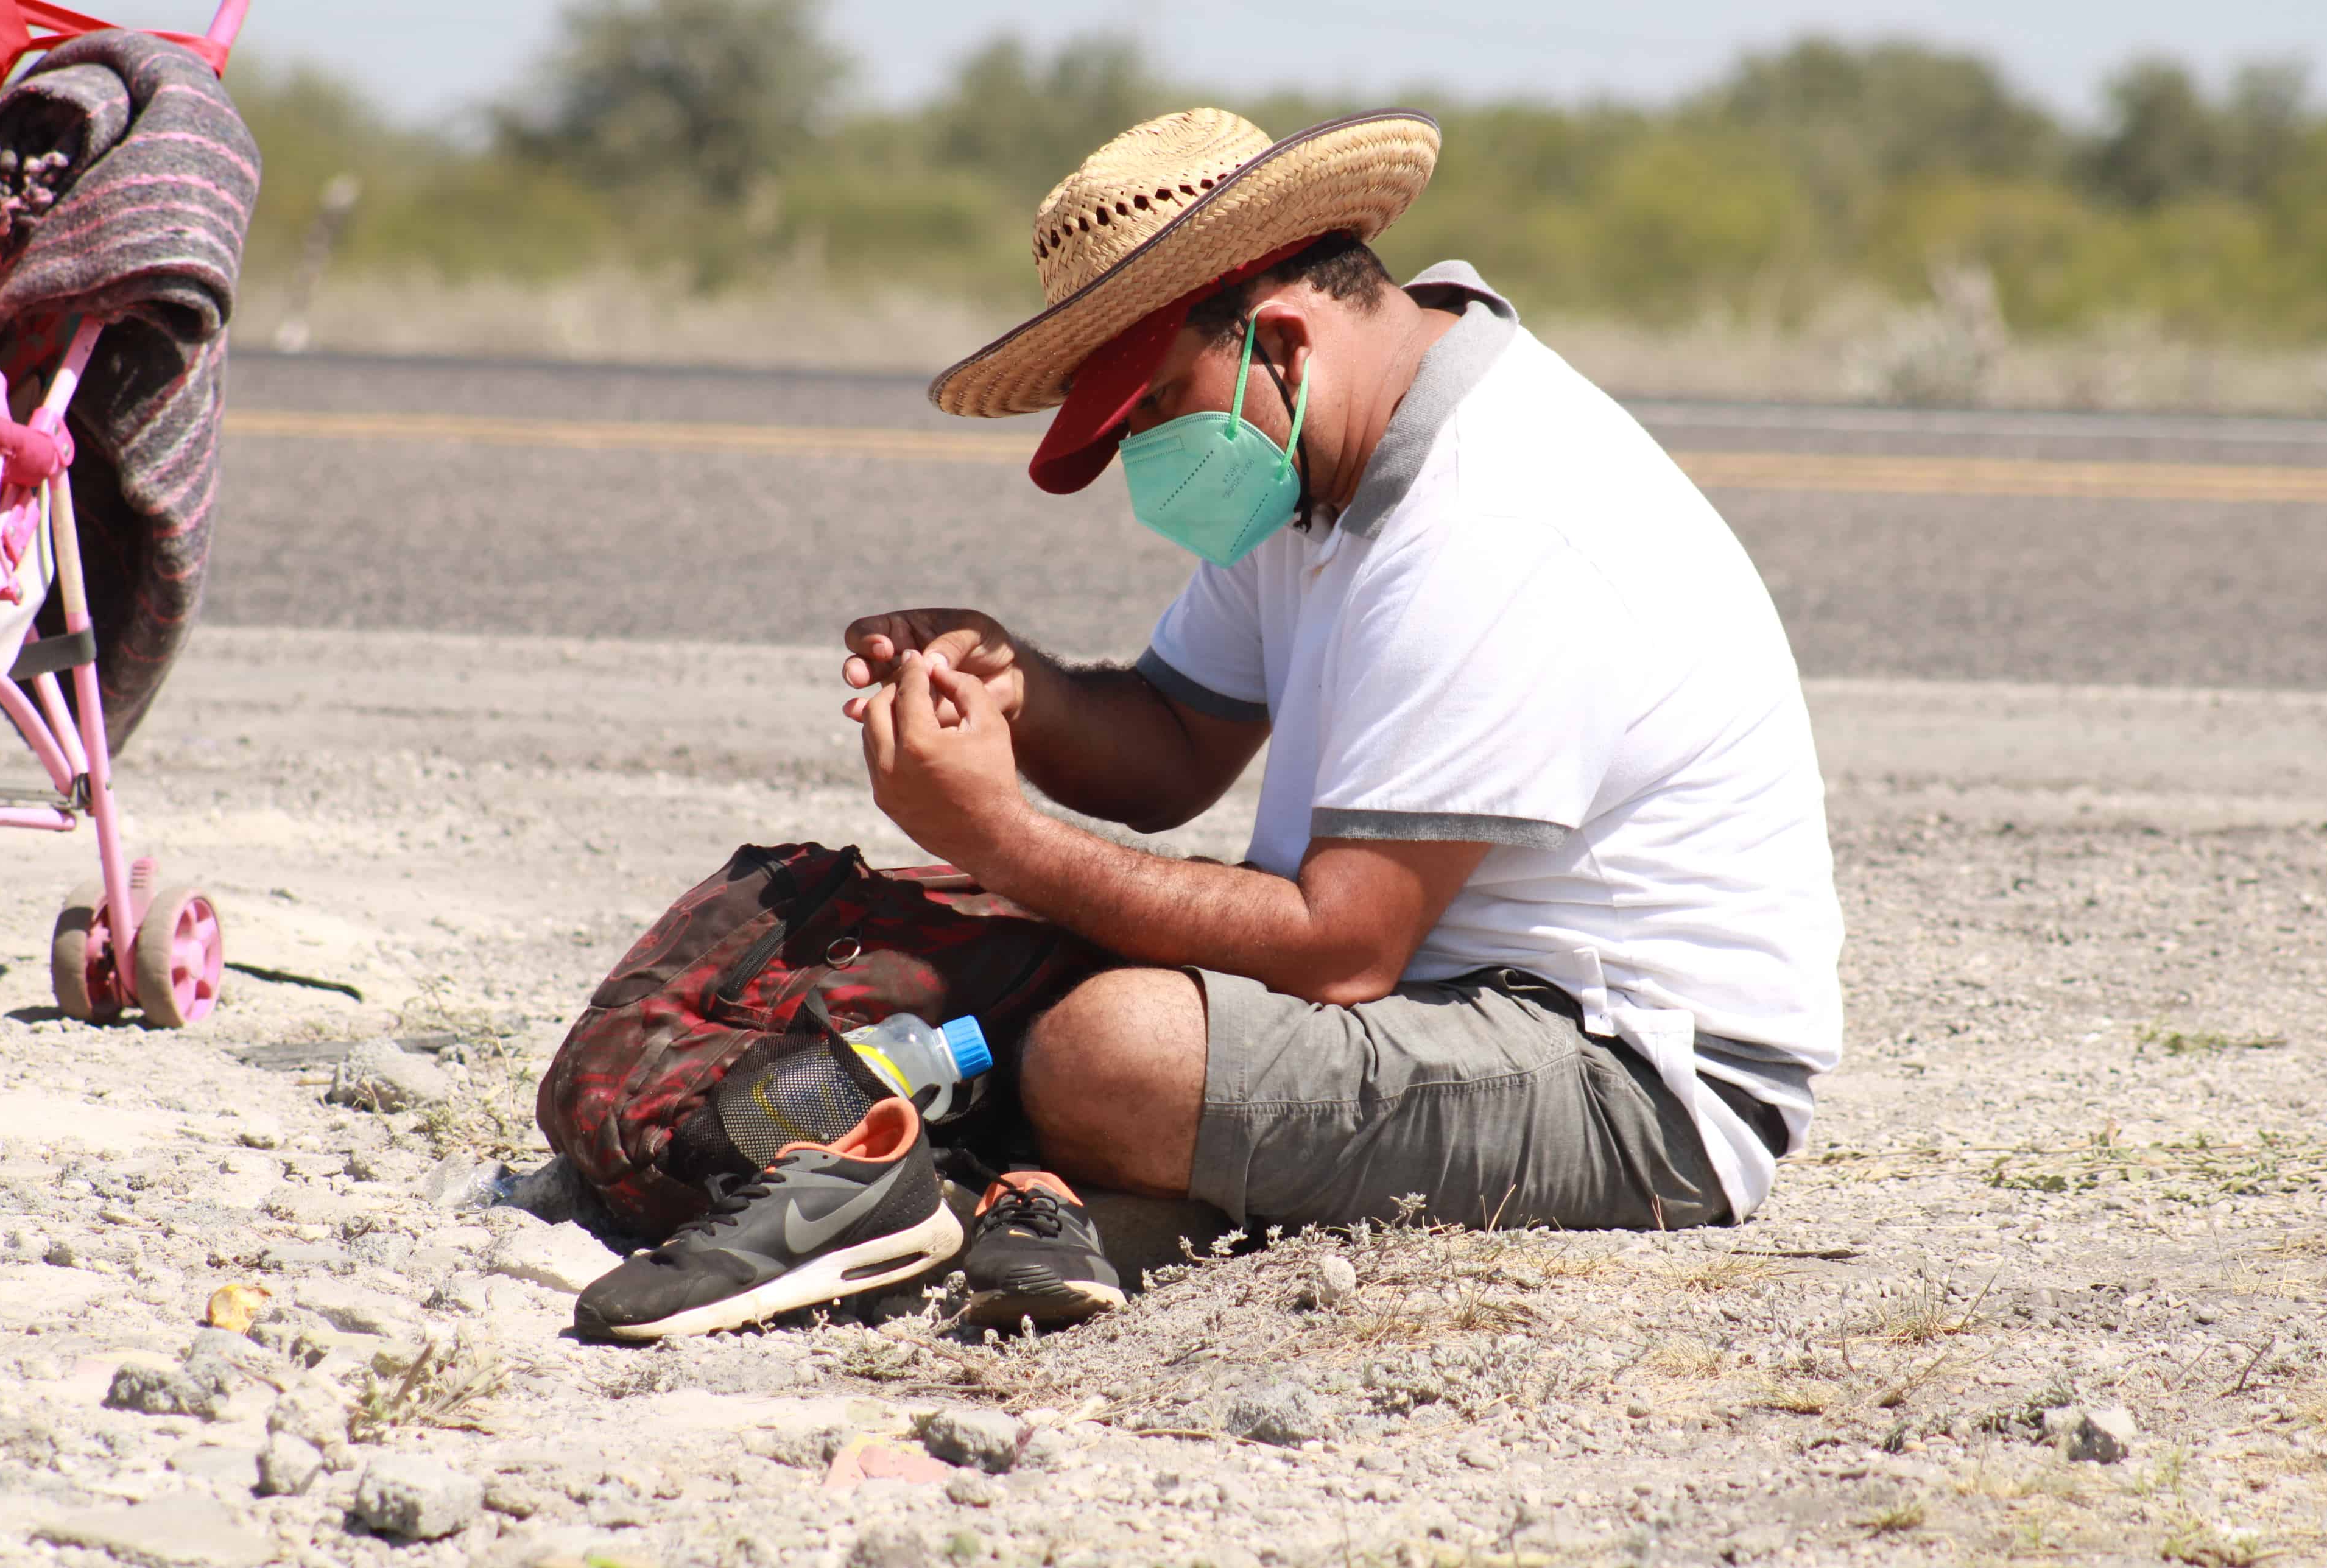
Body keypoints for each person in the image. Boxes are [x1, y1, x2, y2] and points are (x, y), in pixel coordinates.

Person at [581, 105, 1846, 1341]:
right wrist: (1020, 686)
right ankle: (984, 1192)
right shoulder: (1319, 459)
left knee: (1106, 1047)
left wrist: (1004, 837)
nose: (1141, 454)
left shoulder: (1491, 519)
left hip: (1637, 1082)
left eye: (1149, 410)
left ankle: (946, 1200)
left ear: (1280, 342)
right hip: (1435, 995)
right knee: (902, 952)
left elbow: (1341, 949)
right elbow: (1175, 739)